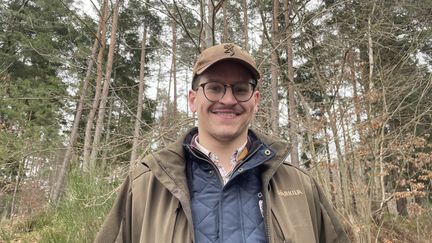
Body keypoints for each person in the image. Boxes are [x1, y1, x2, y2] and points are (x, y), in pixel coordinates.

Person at [94, 43, 349, 243]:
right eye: (214, 88)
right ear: (193, 99)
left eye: (240, 89)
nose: (228, 100)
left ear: (255, 100)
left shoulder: (301, 187)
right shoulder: (145, 186)